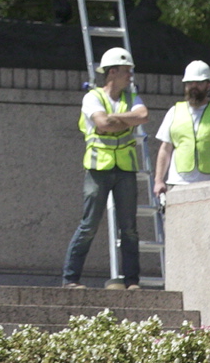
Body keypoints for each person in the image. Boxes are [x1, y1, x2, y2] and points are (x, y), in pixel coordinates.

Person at [63, 46, 149, 289]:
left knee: (129, 228)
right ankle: (70, 279)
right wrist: (123, 119)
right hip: (98, 169)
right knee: (89, 225)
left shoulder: (133, 98)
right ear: (112, 72)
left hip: (125, 169)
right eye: (126, 71)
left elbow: (142, 117)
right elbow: (102, 123)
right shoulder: (92, 97)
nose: (130, 76)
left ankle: (132, 281)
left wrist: (114, 120)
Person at [152, 60, 210, 197]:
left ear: (208, 85)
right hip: (178, 184)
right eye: (189, 83)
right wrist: (158, 180)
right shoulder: (174, 112)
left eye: (199, 83)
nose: (194, 87)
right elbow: (165, 149)